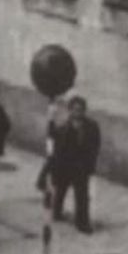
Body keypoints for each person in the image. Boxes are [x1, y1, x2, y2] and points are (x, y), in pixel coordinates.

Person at [48, 96, 102, 233]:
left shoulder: (92, 126)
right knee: (61, 190)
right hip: (65, 164)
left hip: (81, 166)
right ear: (70, 111)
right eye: (75, 110)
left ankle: (82, 223)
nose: (78, 112)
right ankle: (57, 211)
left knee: (82, 195)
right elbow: (57, 147)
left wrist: (91, 165)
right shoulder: (63, 127)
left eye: (81, 110)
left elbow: (95, 147)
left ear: (85, 111)